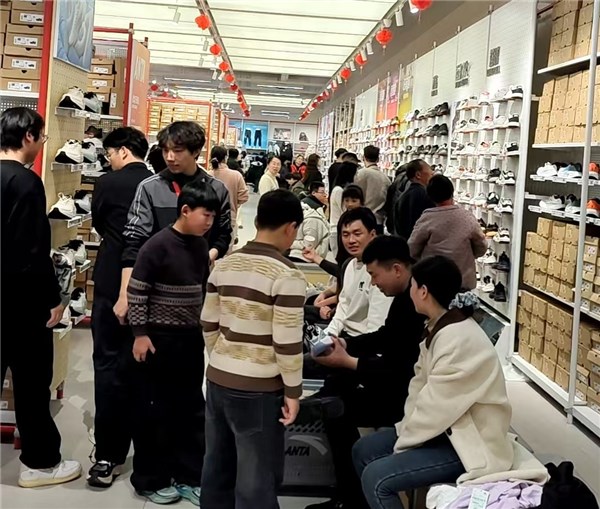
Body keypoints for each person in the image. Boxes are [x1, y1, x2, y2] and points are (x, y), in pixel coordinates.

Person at [352, 256, 516, 509]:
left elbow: (435, 407)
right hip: (448, 431)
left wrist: (404, 443)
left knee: (377, 478)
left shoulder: (457, 338)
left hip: (469, 444)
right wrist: (405, 431)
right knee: (363, 449)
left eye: (413, 286)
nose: (410, 293)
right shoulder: (440, 328)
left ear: (423, 291)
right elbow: (419, 388)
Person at [200, 190, 306, 509]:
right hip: (259, 390)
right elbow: (286, 342)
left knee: (216, 468)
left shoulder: (225, 264)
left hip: (218, 380)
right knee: (256, 478)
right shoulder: (287, 275)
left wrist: (225, 356)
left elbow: (208, 322)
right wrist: (293, 392)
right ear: (291, 228)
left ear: (257, 221)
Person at [304, 236, 425, 509]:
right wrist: (347, 345)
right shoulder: (406, 295)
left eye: (374, 275)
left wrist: (348, 361)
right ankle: (346, 495)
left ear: (397, 269)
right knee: (335, 387)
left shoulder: (417, 303)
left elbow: (402, 368)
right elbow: (387, 336)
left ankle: (351, 500)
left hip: (410, 397)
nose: (372, 283)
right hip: (400, 382)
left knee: (336, 408)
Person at [0, 107, 81, 487]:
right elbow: (32, 249)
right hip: (21, 300)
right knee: (32, 384)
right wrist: (53, 297)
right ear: (29, 135)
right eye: (42, 136)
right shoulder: (26, 183)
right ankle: (40, 463)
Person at [127, 180, 218, 505]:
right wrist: (140, 334)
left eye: (213, 216)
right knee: (154, 410)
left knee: (191, 409)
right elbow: (136, 292)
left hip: (189, 339)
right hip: (157, 340)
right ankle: (150, 479)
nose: (209, 222)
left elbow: (202, 288)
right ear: (185, 210)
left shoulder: (199, 246)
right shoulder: (157, 245)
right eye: (206, 215)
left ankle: (188, 476)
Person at [117, 121, 232, 326]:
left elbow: (223, 235)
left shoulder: (217, 189)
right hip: (154, 289)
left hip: (196, 290)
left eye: (177, 151)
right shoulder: (149, 188)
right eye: (165, 150)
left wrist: (206, 256)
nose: (170, 157)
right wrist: (125, 293)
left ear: (196, 151)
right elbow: (133, 242)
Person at [88, 127, 152, 487]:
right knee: (144, 368)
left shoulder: (107, 184)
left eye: (110, 153)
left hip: (112, 278)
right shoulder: (159, 185)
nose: (109, 159)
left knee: (108, 365)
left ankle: (108, 456)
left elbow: (99, 222)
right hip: (150, 283)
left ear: (124, 151)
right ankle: (147, 459)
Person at [409, 175, 487, 289]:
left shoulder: (427, 218)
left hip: (433, 279)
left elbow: (412, 247)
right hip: (462, 279)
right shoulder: (467, 217)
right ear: (452, 191)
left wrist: (423, 260)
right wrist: (468, 257)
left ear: (430, 196)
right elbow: (481, 246)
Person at [324, 207, 392, 339]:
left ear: (372, 234)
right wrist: (328, 335)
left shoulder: (381, 270)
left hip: (363, 341)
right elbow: (343, 307)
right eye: (345, 235)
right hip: (344, 335)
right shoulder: (350, 265)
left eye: (357, 233)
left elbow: (376, 325)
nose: (351, 240)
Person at [211, 146, 249, 251]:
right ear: (226, 158)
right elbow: (244, 196)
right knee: (226, 249)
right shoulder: (236, 175)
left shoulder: (208, 175)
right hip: (229, 217)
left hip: (209, 218)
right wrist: (235, 202)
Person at [393, 158, 434, 240]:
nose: (432, 176)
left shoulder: (403, 196)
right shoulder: (426, 196)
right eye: (430, 174)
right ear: (418, 175)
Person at [289, 181, 330, 260]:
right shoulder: (313, 208)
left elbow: (309, 244)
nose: (325, 195)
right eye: (322, 192)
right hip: (301, 254)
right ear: (313, 193)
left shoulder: (311, 212)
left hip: (306, 255)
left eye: (325, 192)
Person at [355, 145, 391, 232]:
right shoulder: (385, 178)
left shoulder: (360, 174)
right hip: (378, 220)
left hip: (361, 219)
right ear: (378, 159)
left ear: (363, 158)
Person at [329, 161, 358, 256]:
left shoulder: (338, 189)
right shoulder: (339, 191)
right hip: (337, 229)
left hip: (338, 229)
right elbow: (344, 211)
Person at [384, 163, 410, 235]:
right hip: (403, 220)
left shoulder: (396, 181)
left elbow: (388, 202)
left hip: (394, 218)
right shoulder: (408, 180)